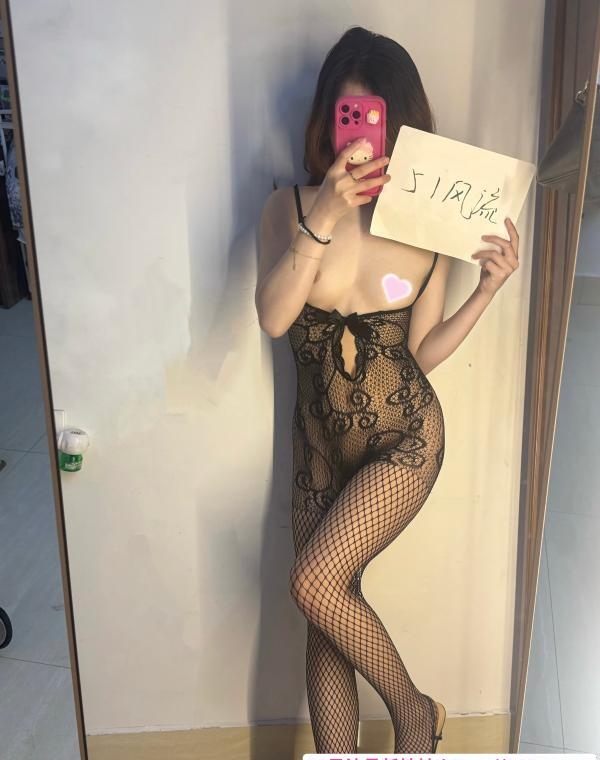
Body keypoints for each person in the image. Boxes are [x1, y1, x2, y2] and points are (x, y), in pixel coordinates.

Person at [255, 25, 519, 754]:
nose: (364, 143)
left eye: (381, 126)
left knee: (313, 583)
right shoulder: (287, 209)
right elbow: (274, 318)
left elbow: (421, 352)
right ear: (326, 123)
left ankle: (411, 713)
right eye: (351, 121)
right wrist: (324, 216)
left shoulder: (427, 226)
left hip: (404, 439)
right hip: (317, 449)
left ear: (406, 133)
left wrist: (486, 292)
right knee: (325, 616)